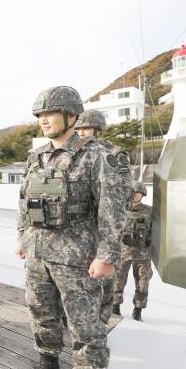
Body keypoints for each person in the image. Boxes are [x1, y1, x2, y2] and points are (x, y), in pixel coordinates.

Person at [15, 86, 125, 369]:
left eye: (49, 113)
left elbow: (112, 210)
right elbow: (24, 200)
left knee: (85, 323)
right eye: (40, 114)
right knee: (41, 313)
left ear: (71, 116)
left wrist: (106, 256)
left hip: (77, 257)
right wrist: (22, 237)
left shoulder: (97, 156)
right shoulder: (35, 156)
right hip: (37, 253)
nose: (43, 119)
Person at [74, 110, 132, 323]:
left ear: (98, 130)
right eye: (78, 129)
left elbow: (125, 190)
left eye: (86, 128)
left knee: (103, 283)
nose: (82, 133)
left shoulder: (114, 154)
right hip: (77, 229)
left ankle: (101, 325)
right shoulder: (71, 152)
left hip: (104, 227)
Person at [113, 181, 153, 322]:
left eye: (139, 194)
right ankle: (115, 307)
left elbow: (155, 232)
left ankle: (138, 310)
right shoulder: (120, 209)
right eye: (134, 193)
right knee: (118, 281)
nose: (136, 196)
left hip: (143, 254)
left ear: (142, 195)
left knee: (143, 283)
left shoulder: (149, 211)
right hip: (123, 252)